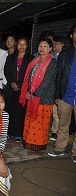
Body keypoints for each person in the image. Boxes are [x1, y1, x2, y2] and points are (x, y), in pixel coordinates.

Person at [19, 38, 57, 151]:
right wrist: (27, 92)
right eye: (40, 46)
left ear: (50, 48)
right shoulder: (35, 60)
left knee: (40, 122)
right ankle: (28, 141)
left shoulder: (52, 62)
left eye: (45, 46)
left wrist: (36, 93)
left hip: (43, 97)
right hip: (32, 96)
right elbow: (28, 78)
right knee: (30, 120)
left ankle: (38, 144)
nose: (42, 48)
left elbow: (48, 81)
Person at [48, 23, 76, 163]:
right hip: (66, 95)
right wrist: (57, 95)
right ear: (71, 36)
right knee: (63, 125)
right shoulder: (65, 54)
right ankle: (59, 148)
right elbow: (59, 76)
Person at [4, 37, 34, 142]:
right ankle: (8, 131)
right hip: (11, 88)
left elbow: (30, 74)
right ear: (17, 45)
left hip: (23, 88)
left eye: (24, 44)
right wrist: (12, 82)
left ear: (27, 46)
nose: (21, 46)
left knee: (21, 111)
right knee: (9, 110)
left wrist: (20, 84)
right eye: (20, 44)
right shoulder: (11, 57)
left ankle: (19, 133)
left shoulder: (30, 59)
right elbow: (6, 71)